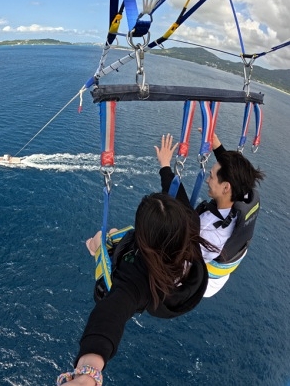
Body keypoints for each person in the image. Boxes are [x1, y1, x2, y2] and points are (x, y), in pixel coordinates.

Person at [57, 193, 215, 386]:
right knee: (111, 235)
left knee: (98, 239)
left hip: (149, 289)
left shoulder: (135, 280)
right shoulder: (190, 240)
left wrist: (87, 374)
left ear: (144, 237)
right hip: (176, 291)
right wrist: (167, 173)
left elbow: (110, 315)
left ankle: (94, 245)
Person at [155, 132, 265, 297]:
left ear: (226, 187)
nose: (207, 180)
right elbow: (236, 172)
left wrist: (165, 166)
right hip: (219, 263)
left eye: (211, 176)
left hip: (203, 280)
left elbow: (182, 213)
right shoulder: (244, 194)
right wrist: (217, 146)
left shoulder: (208, 232)